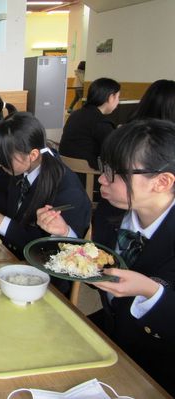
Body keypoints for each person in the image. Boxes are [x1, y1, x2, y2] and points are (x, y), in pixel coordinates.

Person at [78, 119, 175, 395]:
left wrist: (150, 291)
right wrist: (71, 242)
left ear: (162, 181)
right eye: (103, 166)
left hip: (160, 368)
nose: (101, 179)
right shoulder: (110, 214)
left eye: (115, 172)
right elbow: (99, 279)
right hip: (113, 342)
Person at [0, 112, 91, 260]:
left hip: (41, 267)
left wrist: (2, 224)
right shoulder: (24, 167)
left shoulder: (67, 190)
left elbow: (51, 250)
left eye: (4, 159)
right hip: (12, 253)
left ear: (33, 155)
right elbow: (15, 209)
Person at [59, 77, 120, 169]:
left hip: (67, 171)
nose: (118, 102)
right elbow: (114, 152)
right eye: (118, 97)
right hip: (89, 176)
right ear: (111, 98)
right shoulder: (101, 122)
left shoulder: (75, 114)